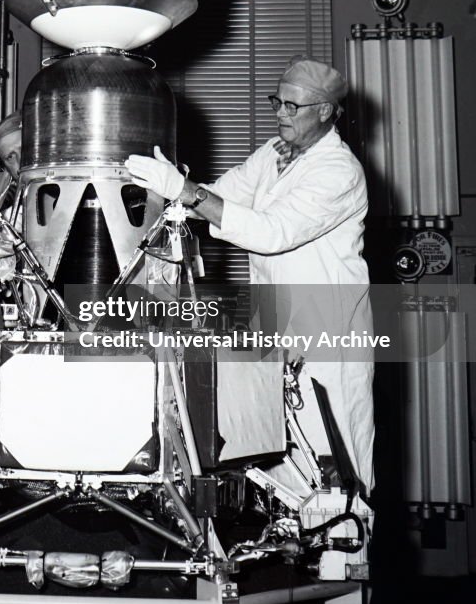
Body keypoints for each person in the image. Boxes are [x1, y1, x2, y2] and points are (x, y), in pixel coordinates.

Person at [125, 56, 374, 496]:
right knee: (280, 468)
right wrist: (171, 187)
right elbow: (221, 198)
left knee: (333, 472)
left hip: (327, 339)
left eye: (292, 106)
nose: (279, 112)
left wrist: (183, 191)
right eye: (277, 101)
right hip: (277, 329)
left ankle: (344, 560)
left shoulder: (338, 170)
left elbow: (270, 232)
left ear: (325, 111)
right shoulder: (276, 154)